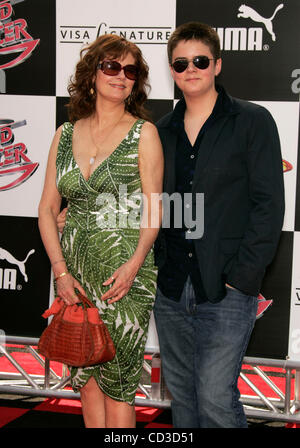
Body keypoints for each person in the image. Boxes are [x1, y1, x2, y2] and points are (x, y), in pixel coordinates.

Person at [152, 22, 285, 428]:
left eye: (200, 60)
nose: (190, 68)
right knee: (183, 399)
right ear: (171, 70)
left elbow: (269, 205)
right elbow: (148, 203)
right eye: (180, 62)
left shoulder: (253, 120)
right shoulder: (158, 132)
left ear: (217, 65)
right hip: (171, 286)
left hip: (226, 286)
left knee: (214, 398)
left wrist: (243, 277)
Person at [38, 34, 163, 428]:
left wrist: (133, 266)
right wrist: (60, 272)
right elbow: (46, 209)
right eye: (111, 67)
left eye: (130, 71)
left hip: (125, 277)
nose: (121, 76)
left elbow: (154, 210)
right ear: (92, 76)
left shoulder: (144, 134)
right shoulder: (65, 134)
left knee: (120, 385)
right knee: (86, 379)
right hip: (74, 276)